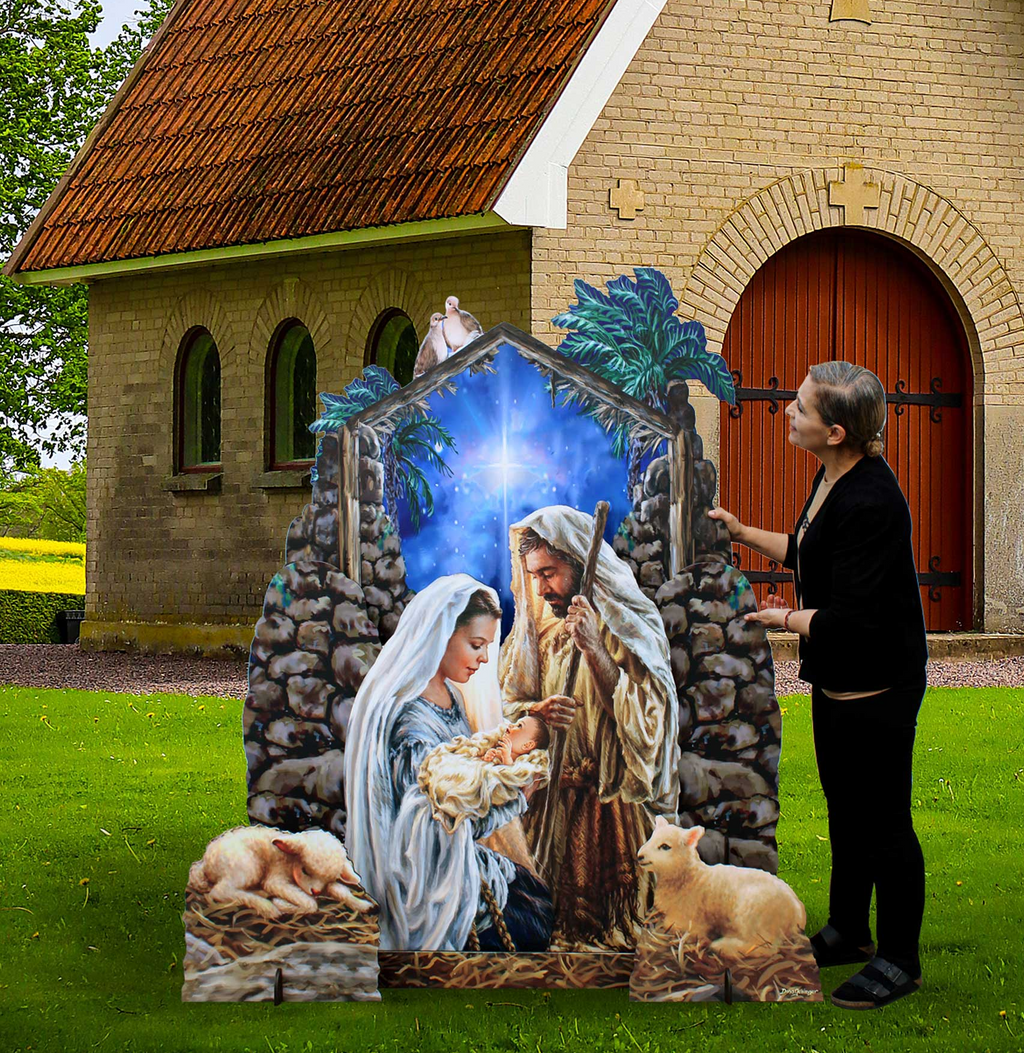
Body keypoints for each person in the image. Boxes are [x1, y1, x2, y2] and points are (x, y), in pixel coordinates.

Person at [709, 361, 928, 1010]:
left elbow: (853, 618)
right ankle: (848, 929)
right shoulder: (831, 477)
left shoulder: (873, 501)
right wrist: (744, 532)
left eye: (799, 408)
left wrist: (781, 618)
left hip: (879, 684)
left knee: (885, 821)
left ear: (835, 431)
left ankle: (899, 958)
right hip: (838, 684)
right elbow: (810, 550)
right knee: (845, 807)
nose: (786, 410)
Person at [499, 506, 680, 951]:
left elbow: (650, 720)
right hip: (553, 798)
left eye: (551, 573)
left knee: (613, 926)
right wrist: (539, 712)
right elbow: (508, 707)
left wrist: (596, 650)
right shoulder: (538, 634)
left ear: (579, 563)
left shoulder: (627, 625)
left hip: (611, 800)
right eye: (534, 576)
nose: (541, 589)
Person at [344, 574, 553, 952]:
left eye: (488, 646)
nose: (484, 659)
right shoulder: (412, 727)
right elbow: (439, 828)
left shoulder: (451, 697)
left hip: (453, 858)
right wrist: (514, 798)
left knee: (538, 895)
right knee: (535, 923)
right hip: (425, 878)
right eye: (476, 645)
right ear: (440, 634)